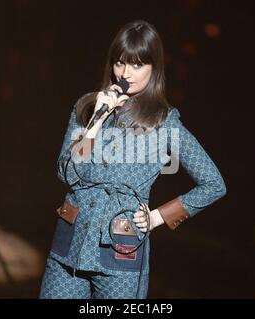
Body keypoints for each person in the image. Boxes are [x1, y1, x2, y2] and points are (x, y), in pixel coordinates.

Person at [39, 20, 227, 299]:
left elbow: (213, 183)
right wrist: (95, 121)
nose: (125, 73)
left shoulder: (165, 122)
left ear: (155, 68)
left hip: (120, 251)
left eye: (137, 65)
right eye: (120, 63)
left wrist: (156, 218)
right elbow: (67, 174)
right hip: (69, 246)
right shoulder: (87, 107)